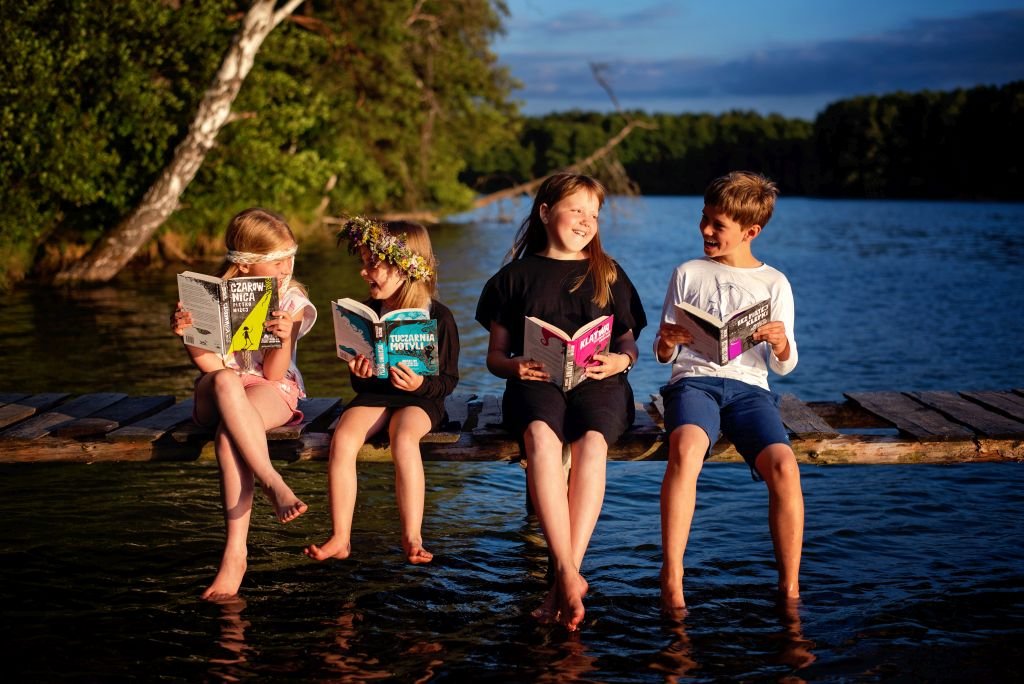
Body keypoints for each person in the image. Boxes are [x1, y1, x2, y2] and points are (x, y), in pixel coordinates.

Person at [475, 173, 647, 631]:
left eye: (594, 214)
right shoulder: (513, 277)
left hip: (600, 382)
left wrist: (620, 362)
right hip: (537, 380)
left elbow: (630, 344)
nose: (587, 221)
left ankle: (563, 577)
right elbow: (495, 356)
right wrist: (514, 367)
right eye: (577, 210)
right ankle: (570, 576)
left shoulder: (607, 272)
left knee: (592, 443)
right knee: (539, 438)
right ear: (546, 211)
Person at [654, 171, 803, 613]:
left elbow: (786, 364)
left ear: (750, 232)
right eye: (704, 219)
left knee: (785, 468)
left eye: (718, 225)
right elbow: (663, 354)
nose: (705, 230)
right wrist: (666, 342)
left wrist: (779, 342)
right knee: (686, 448)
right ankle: (672, 575)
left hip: (750, 390)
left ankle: (790, 586)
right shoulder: (687, 272)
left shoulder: (775, 283)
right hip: (693, 382)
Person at [171, 208, 317, 601]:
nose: (288, 265)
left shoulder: (292, 300)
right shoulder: (208, 297)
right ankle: (272, 481)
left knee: (226, 436)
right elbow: (211, 367)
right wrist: (189, 336)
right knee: (223, 379)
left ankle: (235, 553)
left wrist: (285, 337)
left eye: (291, 255)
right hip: (219, 389)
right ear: (247, 264)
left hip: (270, 388)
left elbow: (272, 375)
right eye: (277, 259)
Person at [305, 218, 459, 565]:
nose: (364, 272)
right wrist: (358, 373)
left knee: (404, 437)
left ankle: (412, 536)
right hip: (377, 395)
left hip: (422, 399)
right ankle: (341, 537)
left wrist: (421, 384)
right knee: (343, 435)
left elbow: (448, 380)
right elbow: (362, 385)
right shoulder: (368, 313)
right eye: (363, 263)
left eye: (373, 264)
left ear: (406, 268)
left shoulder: (440, 317)